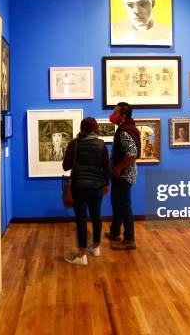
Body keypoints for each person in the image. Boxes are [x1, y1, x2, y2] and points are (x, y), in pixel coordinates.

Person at [62, 117, 110, 266]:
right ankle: (95, 247)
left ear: (81, 128)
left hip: (79, 186)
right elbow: (106, 167)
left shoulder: (74, 144)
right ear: (95, 129)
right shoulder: (101, 145)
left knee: (81, 219)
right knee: (96, 216)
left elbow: (66, 166)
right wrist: (106, 183)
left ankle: (82, 255)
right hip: (97, 186)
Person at [106, 102, 141, 250]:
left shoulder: (125, 131)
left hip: (124, 175)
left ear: (123, 115)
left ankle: (129, 239)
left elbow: (132, 154)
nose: (113, 115)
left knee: (124, 206)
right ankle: (115, 232)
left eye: (116, 112)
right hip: (120, 174)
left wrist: (118, 168)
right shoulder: (126, 128)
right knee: (116, 202)